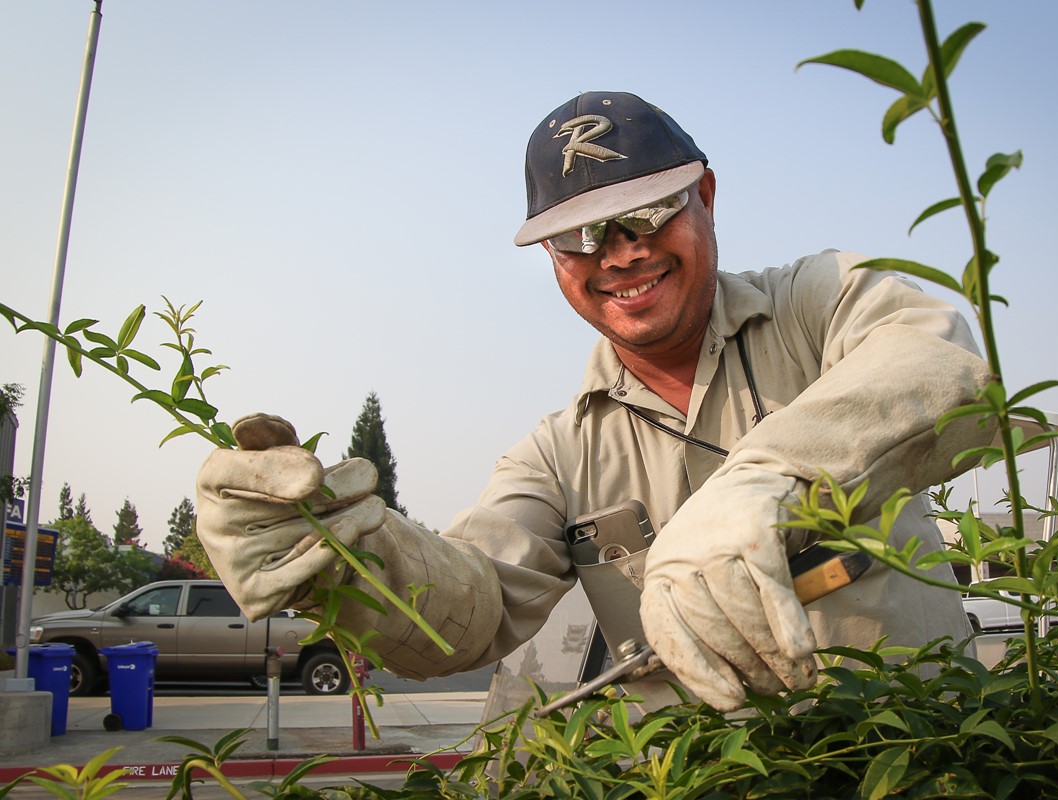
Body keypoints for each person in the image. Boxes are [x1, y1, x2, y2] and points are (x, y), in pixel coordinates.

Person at [196, 91, 991, 712]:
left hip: (915, 752)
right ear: (550, 254)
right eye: (580, 237)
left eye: (647, 213)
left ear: (706, 196)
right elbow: (471, 606)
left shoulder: (818, 306)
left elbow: (937, 359)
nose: (620, 254)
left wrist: (770, 478)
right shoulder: (556, 454)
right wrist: (343, 557)